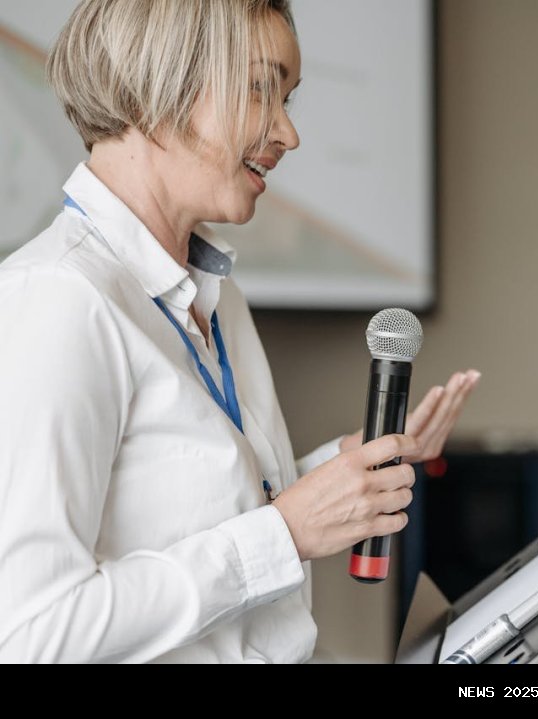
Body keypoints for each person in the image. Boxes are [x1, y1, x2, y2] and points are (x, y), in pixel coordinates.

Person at [0, 0, 479, 663]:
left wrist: (344, 471)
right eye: (261, 87)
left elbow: (188, 508)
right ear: (161, 80)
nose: (288, 132)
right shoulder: (59, 300)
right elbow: (30, 634)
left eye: (287, 98)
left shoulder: (219, 298)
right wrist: (283, 533)